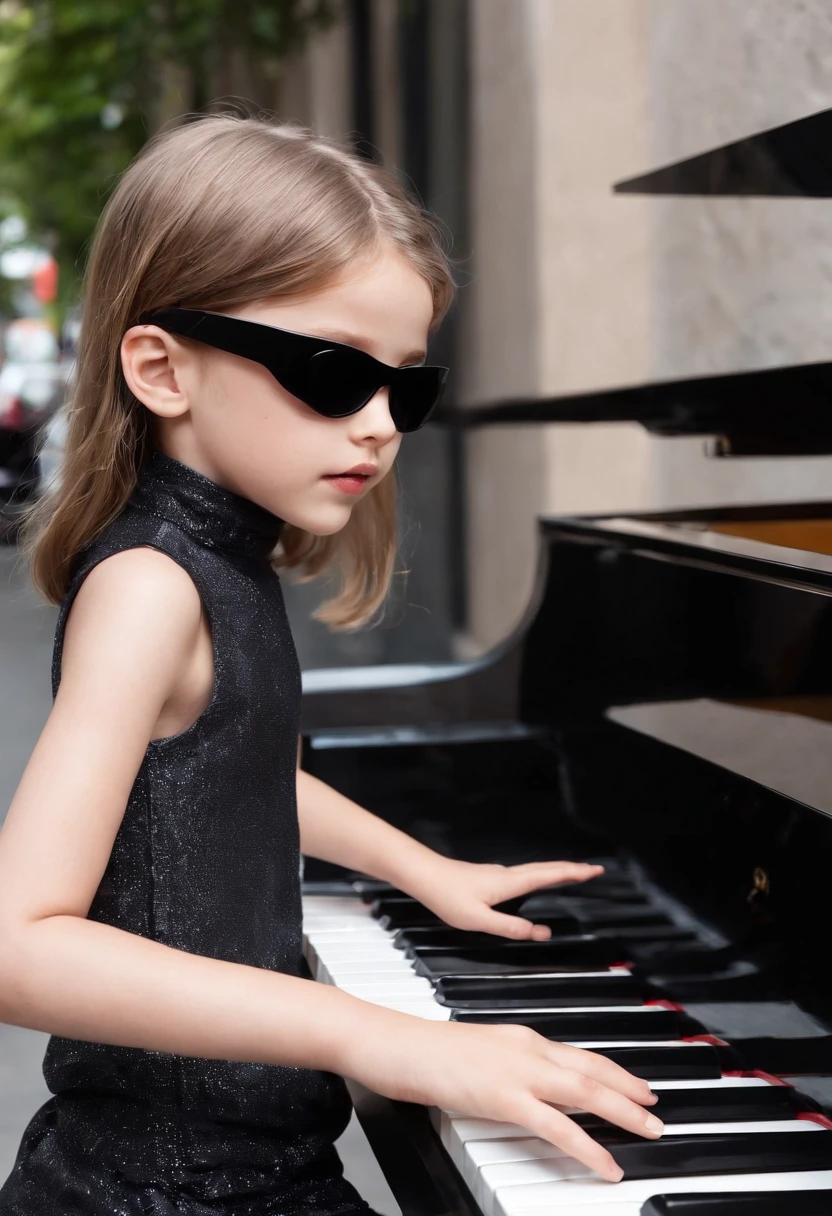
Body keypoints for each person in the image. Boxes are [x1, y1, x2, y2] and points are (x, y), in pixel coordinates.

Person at [0, 112, 662, 1215]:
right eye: (329, 373)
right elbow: (19, 944)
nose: (378, 426)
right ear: (162, 368)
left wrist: (426, 871)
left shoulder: (220, 562)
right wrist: (387, 1038)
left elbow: (231, 772)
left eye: (404, 386)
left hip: (250, 1169)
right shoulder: (150, 586)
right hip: (168, 1192)